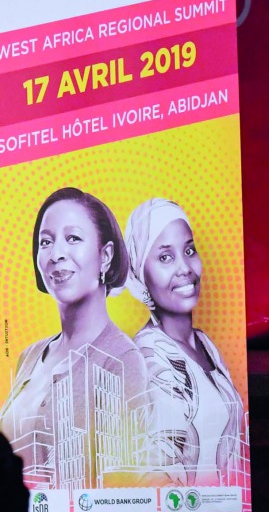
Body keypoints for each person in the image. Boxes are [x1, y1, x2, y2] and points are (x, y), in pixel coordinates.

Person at [0, 187, 151, 489]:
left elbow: (121, 484)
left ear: (105, 256)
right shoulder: (30, 356)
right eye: (46, 241)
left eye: (73, 238)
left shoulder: (122, 361)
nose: (56, 254)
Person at [124, 198, 245, 487]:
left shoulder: (205, 344)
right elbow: (160, 474)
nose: (185, 268)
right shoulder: (150, 356)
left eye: (189, 250)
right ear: (141, 274)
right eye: (165, 257)